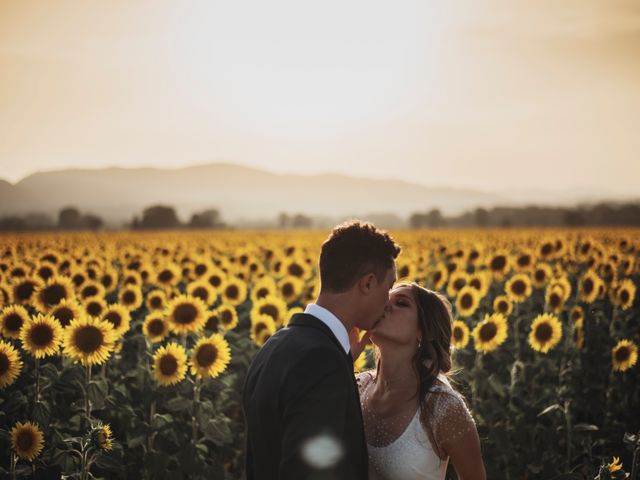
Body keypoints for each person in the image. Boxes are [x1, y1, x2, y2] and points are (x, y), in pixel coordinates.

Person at [242, 220, 401, 480]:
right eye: (389, 287)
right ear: (368, 283)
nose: (388, 301)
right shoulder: (322, 362)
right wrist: (335, 362)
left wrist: (343, 359)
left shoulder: (276, 345)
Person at [354, 282, 486, 480]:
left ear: (423, 331)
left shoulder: (443, 408)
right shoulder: (356, 386)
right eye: (385, 299)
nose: (386, 305)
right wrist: (343, 359)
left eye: (402, 303)